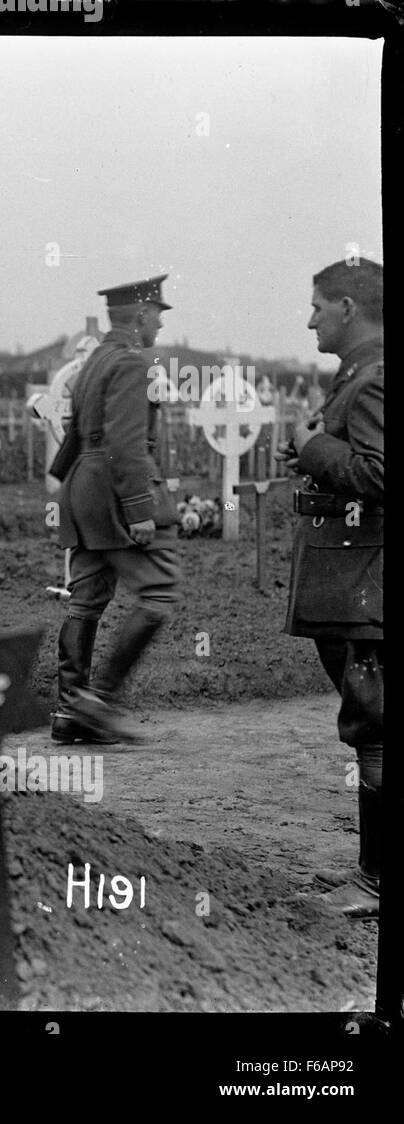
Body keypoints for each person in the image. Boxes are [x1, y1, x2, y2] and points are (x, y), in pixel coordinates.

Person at [278, 258, 384, 919]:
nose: (310, 317)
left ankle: (376, 882)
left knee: (375, 725)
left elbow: (378, 475)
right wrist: (314, 446)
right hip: (354, 577)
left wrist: (312, 446)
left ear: (348, 307)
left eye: (318, 305)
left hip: (365, 580)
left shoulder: (372, 380)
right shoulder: (360, 375)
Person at [51, 274, 181, 744]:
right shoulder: (131, 363)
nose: (160, 326)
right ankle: (99, 702)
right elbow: (126, 442)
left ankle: (68, 712)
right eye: (159, 315)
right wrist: (139, 508)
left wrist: (64, 480)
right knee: (159, 592)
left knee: (86, 597)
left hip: (83, 488)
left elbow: (75, 434)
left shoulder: (95, 359)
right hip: (114, 490)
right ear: (142, 315)